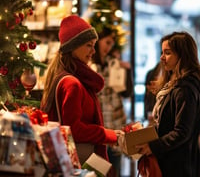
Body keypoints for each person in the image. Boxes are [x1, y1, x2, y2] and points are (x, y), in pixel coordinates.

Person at [40, 15, 124, 170]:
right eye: (88, 45)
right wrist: (110, 135)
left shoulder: (62, 77)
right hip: (79, 162)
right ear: (73, 47)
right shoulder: (72, 83)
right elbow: (74, 129)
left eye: (94, 45)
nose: (93, 51)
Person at [136, 31, 200, 177]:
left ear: (182, 55)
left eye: (168, 53)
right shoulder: (174, 84)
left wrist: (152, 147)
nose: (162, 58)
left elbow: (182, 131)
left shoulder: (185, 88)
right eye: (162, 52)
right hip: (173, 161)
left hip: (178, 165)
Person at [90, 27, 129, 177]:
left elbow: (126, 92)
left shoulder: (114, 63)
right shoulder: (90, 67)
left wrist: (126, 71)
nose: (109, 47)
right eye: (107, 42)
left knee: (116, 171)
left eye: (112, 44)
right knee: (99, 171)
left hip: (116, 124)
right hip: (100, 128)